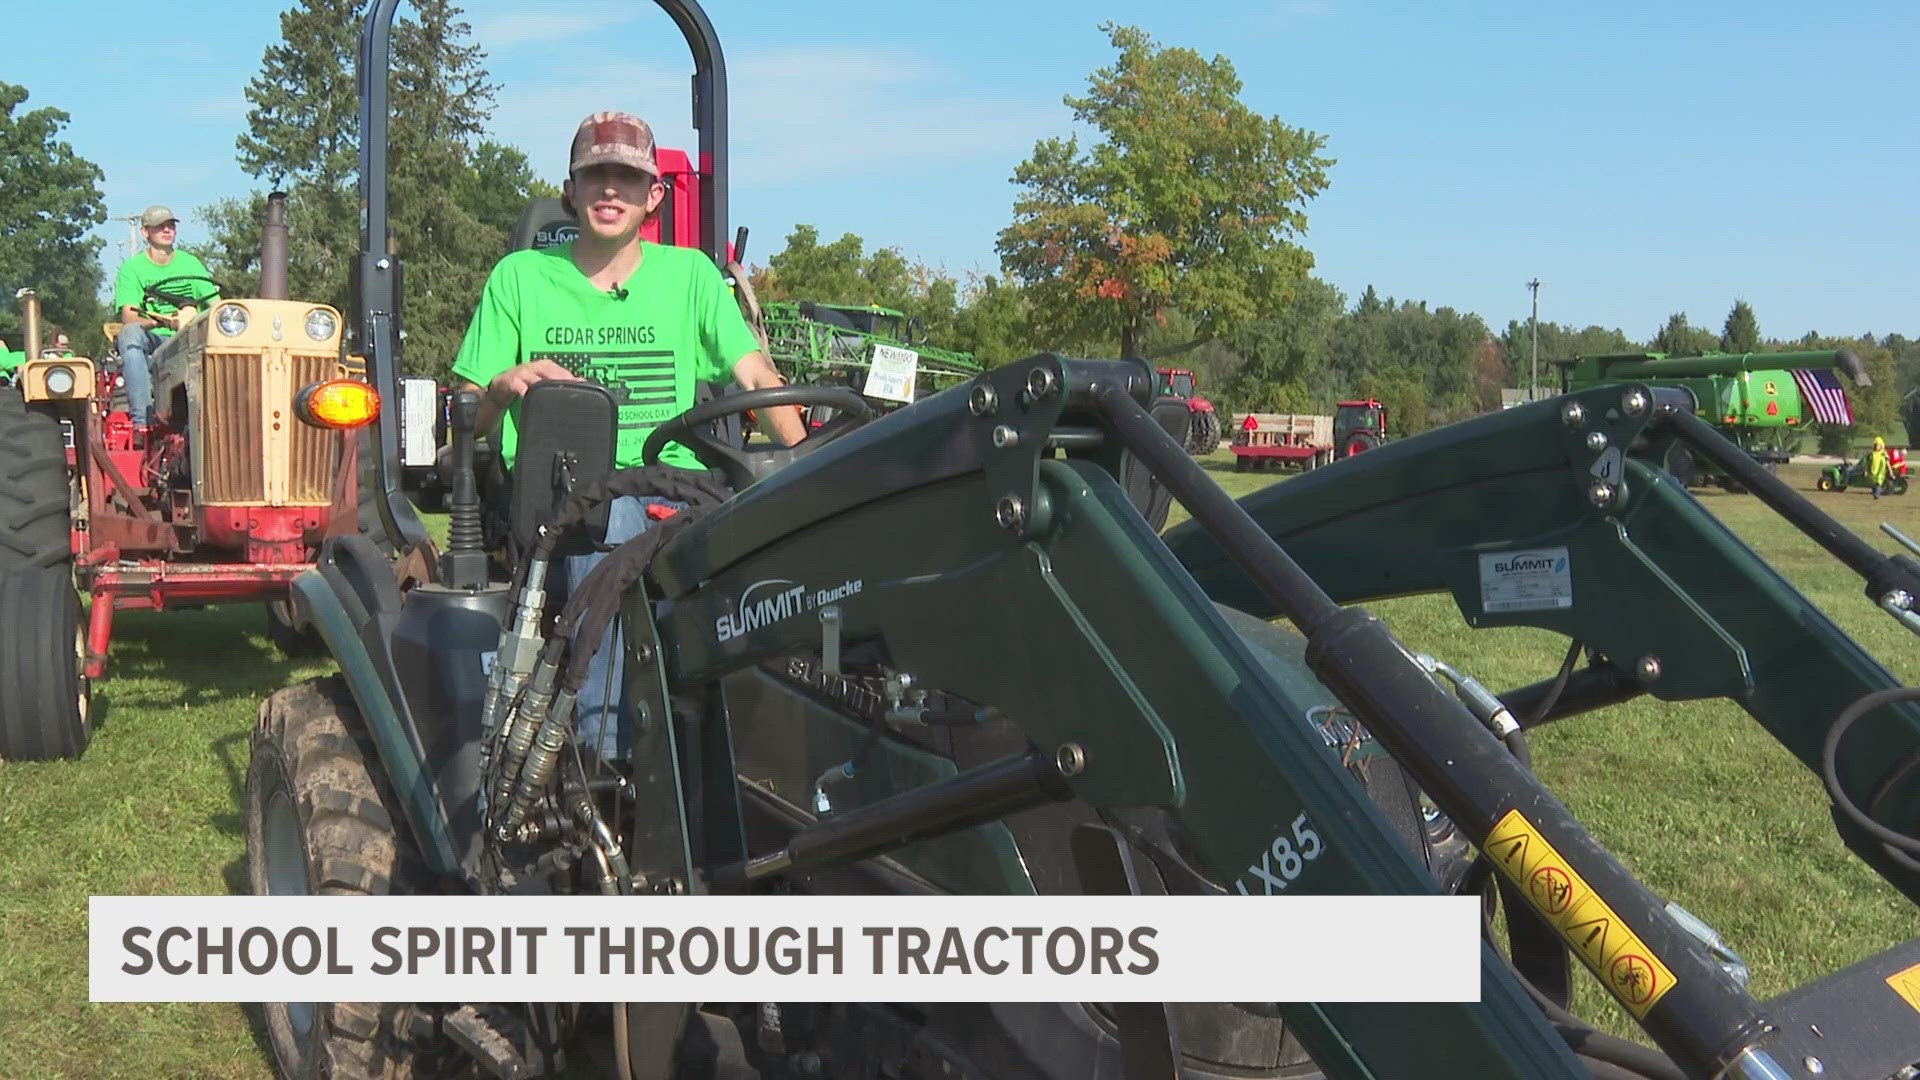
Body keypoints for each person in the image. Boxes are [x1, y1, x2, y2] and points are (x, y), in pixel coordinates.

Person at [451, 110, 808, 761]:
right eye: (595, 176)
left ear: (653, 197)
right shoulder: (522, 280)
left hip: (671, 488)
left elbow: (754, 371)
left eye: (626, 177)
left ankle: (764, 752)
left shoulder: (692, 277)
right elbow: (469, 413)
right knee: (612, 528)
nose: (609, 190)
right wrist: (504, 385)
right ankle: (609, 756)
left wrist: (808, 469)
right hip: (565, 496)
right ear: (572, 190)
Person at [113, 205, 220, 427]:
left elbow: (214, 303)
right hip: (156, 339)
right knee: (130, 334)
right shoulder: (133, 269)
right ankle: (143, 421)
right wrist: (164, 321)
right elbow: (129, 315)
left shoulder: (190, 264)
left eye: (170, 225)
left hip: (190, 338)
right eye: (160, 226)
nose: (167, 230)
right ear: (145, 232)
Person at [1869, 435, 1892, 499]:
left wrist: (1890, 471)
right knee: (1875, 483)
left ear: (1881, 446)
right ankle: (1876, 493)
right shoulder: (1873, 454)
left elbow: (1887, 463)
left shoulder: (1883, 454)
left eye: (1878, 445)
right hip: (1873, 471)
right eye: (1876, 445)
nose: (1877, 447)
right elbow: (1869, 462)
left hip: (1881, 472)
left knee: (1879, 483)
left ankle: (1877, 495)